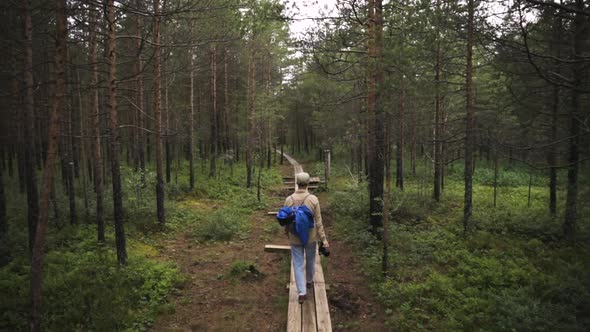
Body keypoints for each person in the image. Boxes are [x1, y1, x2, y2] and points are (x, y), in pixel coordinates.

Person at [284, 172, 329, 304]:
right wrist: (324, 240)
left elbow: (286, 220)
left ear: (297, 183)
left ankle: (302, 292)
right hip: (311, 237)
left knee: (297, 264)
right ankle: (309, 281)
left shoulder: (289, 199)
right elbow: (319, 222)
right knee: (310, 260)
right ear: (308, 183)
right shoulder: (313, 199)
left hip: (295, 237)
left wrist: (287, 233)